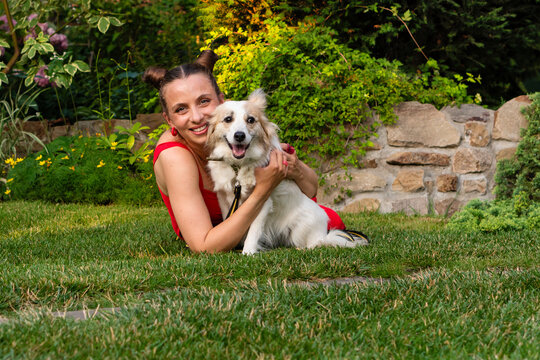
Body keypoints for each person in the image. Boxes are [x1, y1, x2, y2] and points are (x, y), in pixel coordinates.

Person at [143, 50, 345, 253]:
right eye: (181, 109)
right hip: (222, 236)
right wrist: (264, 188)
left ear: (221, 102)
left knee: (326, 219)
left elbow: (310, 190)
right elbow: (204, 246)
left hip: (281, 222)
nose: (196, 117)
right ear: (169, 120)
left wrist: (291, 167)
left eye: (204, 101)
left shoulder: (241, 128)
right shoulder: (174, 156)